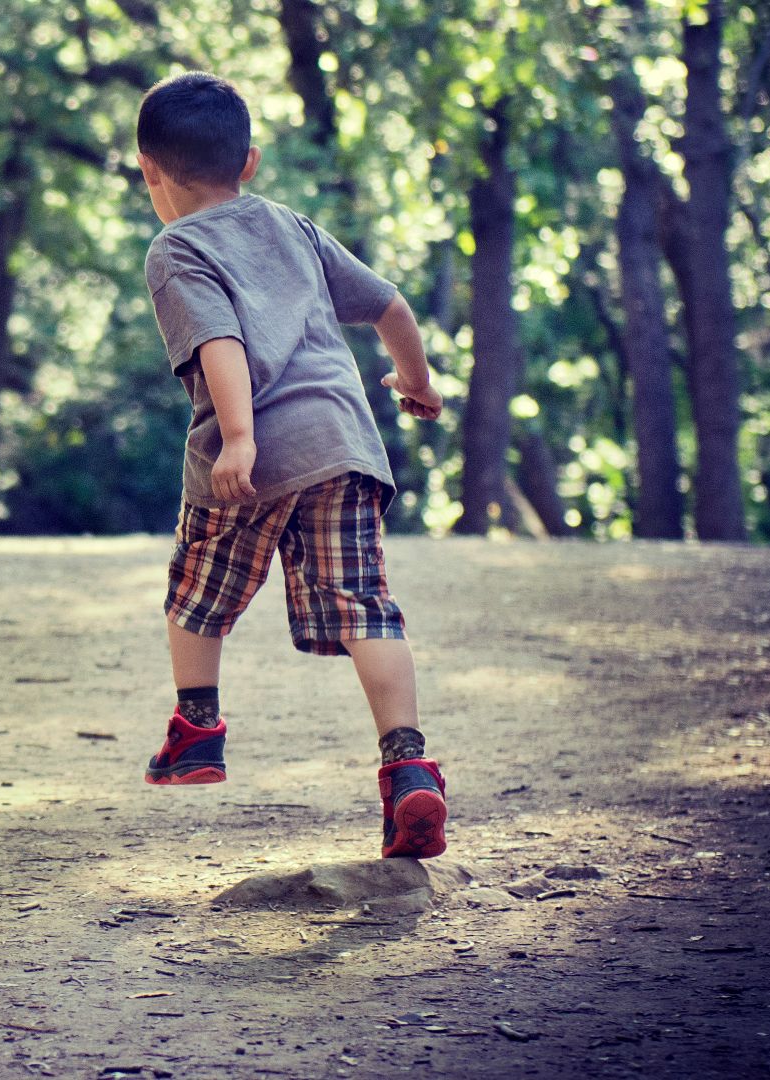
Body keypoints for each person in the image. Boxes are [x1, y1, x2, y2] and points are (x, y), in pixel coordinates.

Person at [134, 71, 448, 859]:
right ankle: (408, 766)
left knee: (196, 594)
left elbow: (220, 344)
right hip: (343, 445)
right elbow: (390, 307)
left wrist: (239, 439)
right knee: (366, 606)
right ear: (252, 162)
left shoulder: (176, 248)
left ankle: (196, 730)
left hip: (251, 456)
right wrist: (416, 384)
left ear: (150, 172)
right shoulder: (293, 227)